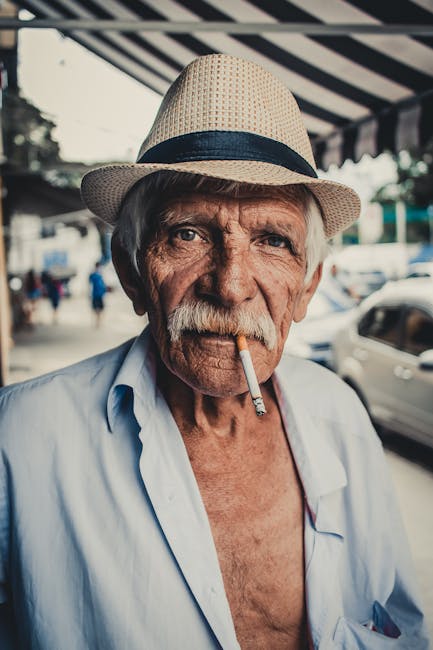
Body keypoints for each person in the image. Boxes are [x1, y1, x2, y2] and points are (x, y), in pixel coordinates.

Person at [0, 54, 428, 649]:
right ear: (130, 270)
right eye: (188, 233)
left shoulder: (340, 415)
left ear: (306, 284)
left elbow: (402, 627)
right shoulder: (19, 438)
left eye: (273, 240)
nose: (229, 283)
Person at [89, 261, 107, 327]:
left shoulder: (99, 275)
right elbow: (91, 282)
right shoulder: (95, 275)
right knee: (97, 309)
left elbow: (102, 285)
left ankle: (98, 322)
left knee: (99, 309)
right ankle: (98, 322)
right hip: (96, 294)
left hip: (99, 294)